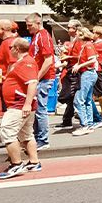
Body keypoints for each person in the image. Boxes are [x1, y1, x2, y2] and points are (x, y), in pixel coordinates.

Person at [0, 37, 42, 179]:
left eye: (11, 48)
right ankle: (34, 161)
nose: (10, 50)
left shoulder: (26, 63)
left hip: (19, 104)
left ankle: (16, 164)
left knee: (7, 131)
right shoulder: (21, 63)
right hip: (20, 103)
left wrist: (27, 103)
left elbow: (32, 83)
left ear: (17, 49)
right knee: (26, 134)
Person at [25, 13, 57, 149]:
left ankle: (43, 140)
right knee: (38, 108)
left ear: (38, 23)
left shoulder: (43, 37)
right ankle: (39, 137)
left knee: (40, 109)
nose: (27, 28)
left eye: (29, 25)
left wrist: (37, 77)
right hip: (40, 77)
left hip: (44, 78)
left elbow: (48, 60)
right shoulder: (37, 36)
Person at [71, 27, 102, 136]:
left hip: (87, 74)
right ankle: (89, 123)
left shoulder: (88, 45)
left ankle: (84, 125)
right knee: (87, 100)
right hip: (89, 74)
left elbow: (93, 60)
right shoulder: (86, 45)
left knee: (79, 99)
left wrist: (79, 65)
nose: (76, 36)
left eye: (78, 34)